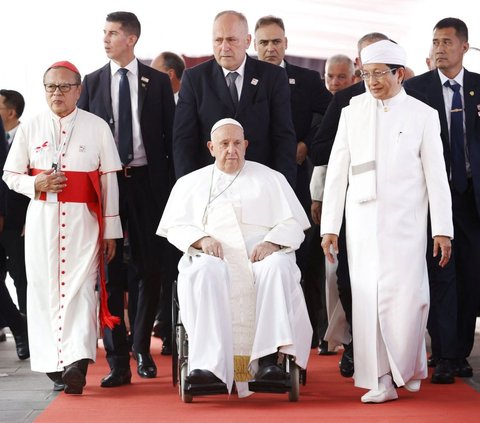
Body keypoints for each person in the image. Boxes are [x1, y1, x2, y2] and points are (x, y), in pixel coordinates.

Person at [321, 40, 453, 403]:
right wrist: (330, 226)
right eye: (366, 73)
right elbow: (337, 171)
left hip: (407, 225)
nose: (372, 81)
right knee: (368, 303)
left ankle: (406, 367)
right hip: (361, 225)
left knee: (409, 300)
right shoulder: (352, 110)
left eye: (380, 74)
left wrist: (442, 230)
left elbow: (437, 176)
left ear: (400, 73)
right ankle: (381, 379)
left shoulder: (423, 114)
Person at [157, 118, 312, 397]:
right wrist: (201, 239)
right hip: (212, 256)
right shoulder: (190, 183)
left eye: (237, 143)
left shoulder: (271, 179)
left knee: (277, 267)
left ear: (246, 145)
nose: (232, 150)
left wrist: (272, 242)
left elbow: (293, 224)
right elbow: (176, 227)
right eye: (224, 144)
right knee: (205, 272)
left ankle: (268, 362)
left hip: (260, 256)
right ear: (211, 147)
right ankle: (208, 367)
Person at [2, 61, 122, 394]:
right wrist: (36, 183)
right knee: (43, 292)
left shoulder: (97, 127)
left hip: (84, 222)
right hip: (42, 222)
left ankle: (77, 362)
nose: (57, 93)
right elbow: (10, 176)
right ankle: (52, 365)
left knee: (81, 291)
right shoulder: (31, 127)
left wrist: (112, 231)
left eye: (64, 86)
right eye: (51, 87)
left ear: (78, 90)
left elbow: (109, 180)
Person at [77, 11, 176, 386]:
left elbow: (170, 138)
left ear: (131, 39)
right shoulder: (92, 82)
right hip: (108, 185)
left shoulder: (158, 82)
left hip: (149, 184)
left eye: (113, 33)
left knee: (151, 268)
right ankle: (117, 360)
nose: (105, 39)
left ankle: (140, 348)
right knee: (110, 270)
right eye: (103, 33)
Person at [310, 32, 390, 378]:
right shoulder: (346, 100)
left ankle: (392, 348)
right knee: (348, 277)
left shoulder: (409, 98)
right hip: (351, 201)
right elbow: (320, 148)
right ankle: (357, 345)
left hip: (397, 207)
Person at [404, 17, 480, 381]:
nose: (439, 48)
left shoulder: (478, 88)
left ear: (464, 47)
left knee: (470, 274)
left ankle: (459, 350)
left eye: (447, 42)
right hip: (431, 199)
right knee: (440, 272)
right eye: (435, 42)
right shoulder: (415, 89)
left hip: (471, 199)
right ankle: (445, 353)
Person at [253, 14, 332, 353]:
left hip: (295, 181)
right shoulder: (245, 78)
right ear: (254, 46)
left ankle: (308, 332)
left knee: (303, 256)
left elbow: (329, 121)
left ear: (286, 43)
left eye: (276, 41)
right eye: (264, 42)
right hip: (253, 184)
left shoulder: (308, 79)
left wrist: (306, 144)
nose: (271, 48)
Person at [173, 10, 297, 187]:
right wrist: (189, 189)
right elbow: (184, 142)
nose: (224, 47)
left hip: (261, 184)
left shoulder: (273, 77)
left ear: (247, 41)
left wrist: (283, 186)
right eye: (218, 40)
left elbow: (283, 137)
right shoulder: (194, 79)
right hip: (211, 186)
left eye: (231, 39)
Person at [309, 53, 357, 355]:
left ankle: (350, 337)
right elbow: (322, 159)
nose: (335, 83)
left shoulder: (356, 101)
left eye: (342, 76)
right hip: (327, 199)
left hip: (357, 198)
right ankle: (331, 334)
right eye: (330, 77)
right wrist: (318, 196)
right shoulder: (321, 108)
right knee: (330, 271)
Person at [0, 116, 29, 360]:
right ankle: (17, 323)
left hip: (8, 216)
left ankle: (19, 326)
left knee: (18, 273)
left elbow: (3, 168)